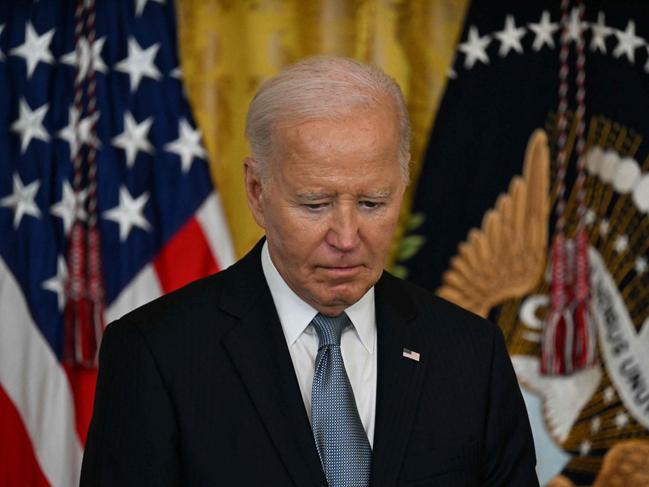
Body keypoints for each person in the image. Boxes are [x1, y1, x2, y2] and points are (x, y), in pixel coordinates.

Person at [80, 56, 538, 486]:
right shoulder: (156, 354)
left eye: (372, 203)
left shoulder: (472, 354)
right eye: (315, 204)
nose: (345, 237)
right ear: (257, 192)